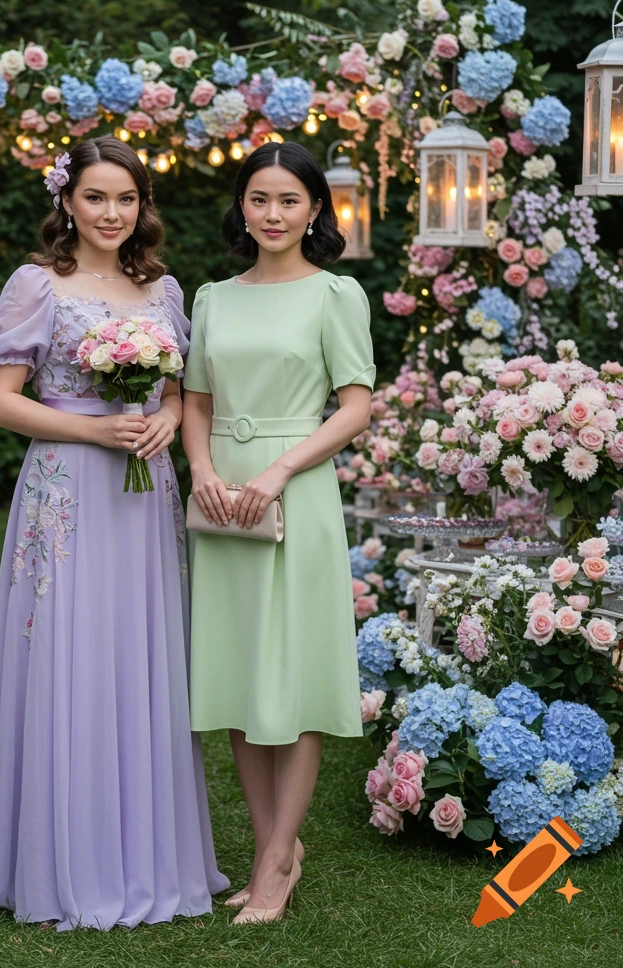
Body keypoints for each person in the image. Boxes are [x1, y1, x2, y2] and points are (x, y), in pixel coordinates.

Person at [0, 135, 228, 931]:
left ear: (144, 207)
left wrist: (165, 421)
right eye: (96, 197)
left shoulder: (165, 289)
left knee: (138, 657)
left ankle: (149, 858)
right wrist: (93, 433)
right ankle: (60, 862)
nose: (112, 213)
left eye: (127, 199)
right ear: (66, 202)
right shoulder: (39, 284)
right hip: (69, 490)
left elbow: (181, 392)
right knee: (67, 655)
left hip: (144, 494)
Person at [181, 141, 375, 926]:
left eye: (288, 201)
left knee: (289, 682)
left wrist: (277, 472)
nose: (272, 214)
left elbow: (356, 406)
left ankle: (274, 864)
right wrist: (201, 470)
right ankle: (276, 852)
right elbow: (194, 400)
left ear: (315, 210)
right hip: (220, 495)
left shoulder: (337, 293)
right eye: (258, 199)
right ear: (242, 206)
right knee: (233, 678)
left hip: (296, 491)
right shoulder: (212, 298)